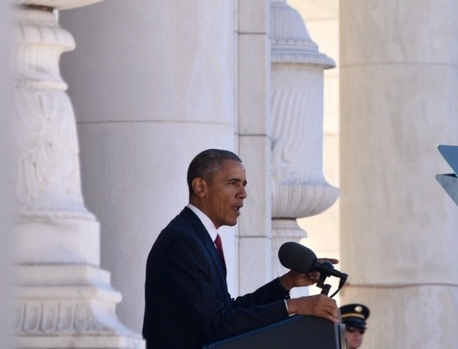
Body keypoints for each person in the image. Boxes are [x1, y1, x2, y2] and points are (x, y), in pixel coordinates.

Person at [142, 149, 341, 348]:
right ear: (200, 187)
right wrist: (294, 306)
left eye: (244, 184)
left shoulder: (199, 237)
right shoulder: (183, 241)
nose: (243, 194)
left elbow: (228, 310)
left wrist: (286, 282)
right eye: (233, 183)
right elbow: (215, 324)